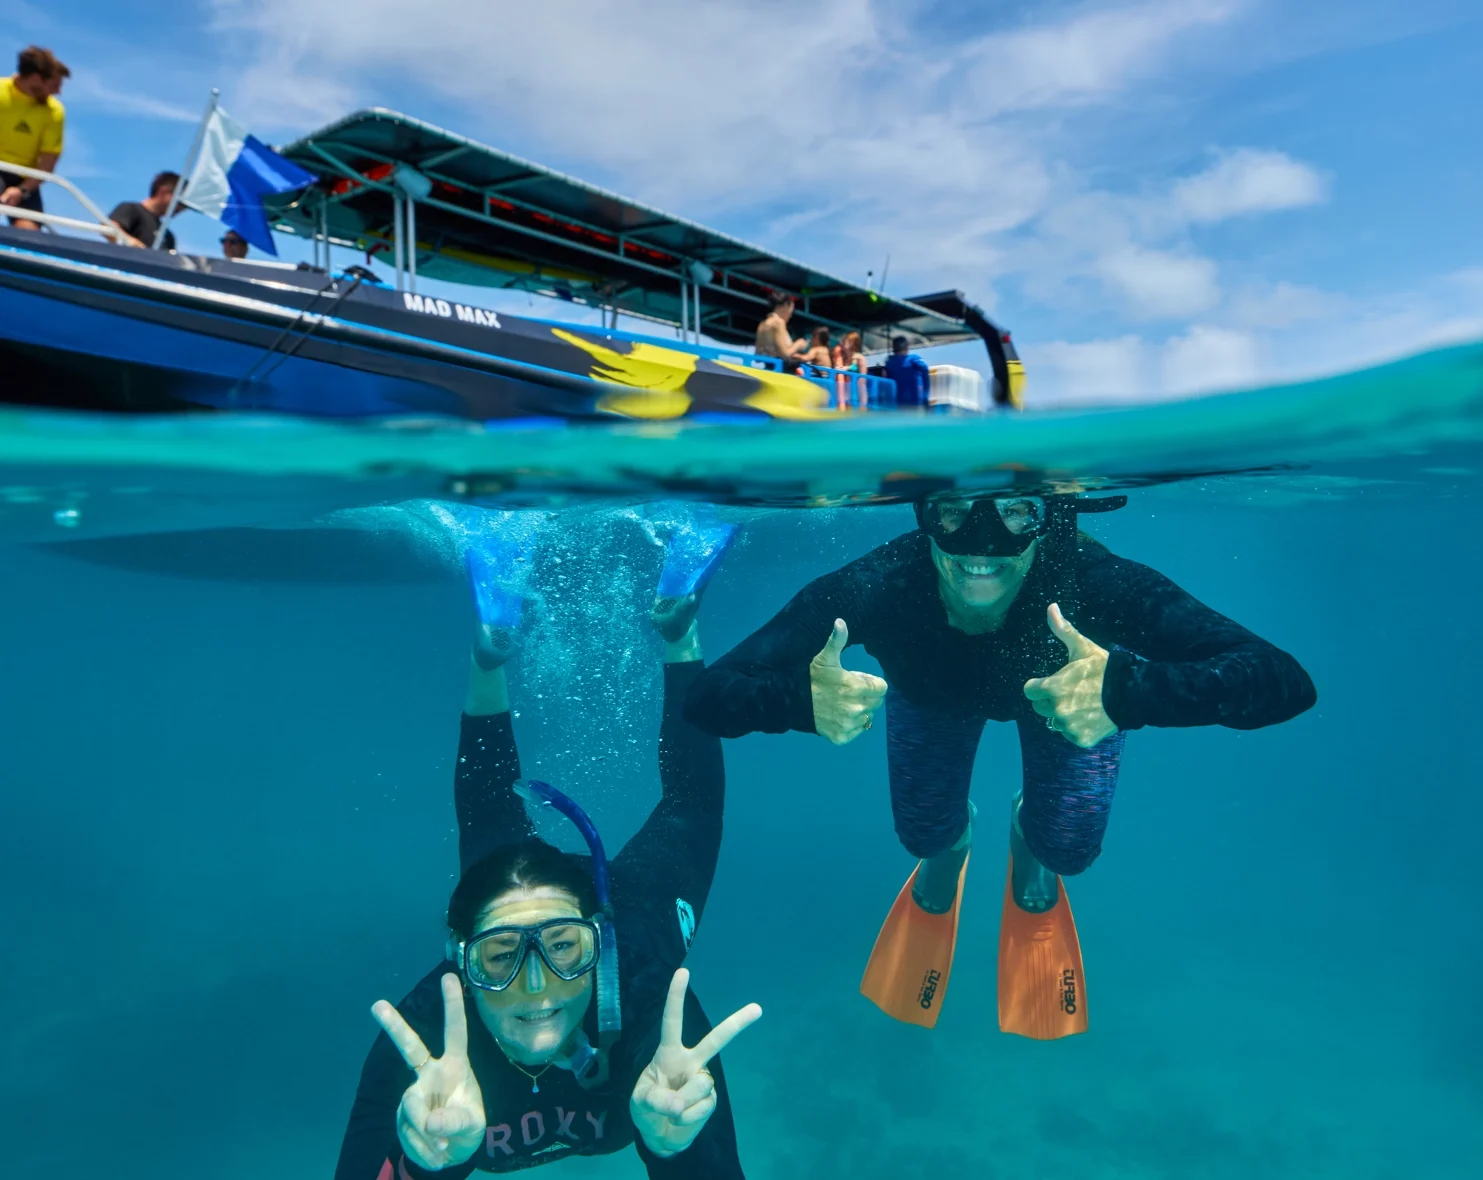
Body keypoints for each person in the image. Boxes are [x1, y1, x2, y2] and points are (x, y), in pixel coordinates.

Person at [684, 491, 1316, 1037]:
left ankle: (1029, 836)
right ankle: (949, 847)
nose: (980, 543)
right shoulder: (879, 583)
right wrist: (794, 700)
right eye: (954, 513)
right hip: (933, 696)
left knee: (1066, 848)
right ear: (925, 513)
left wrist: (1127, 692)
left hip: (1069, 701)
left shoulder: (1095, 581)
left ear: (1048, 517)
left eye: (1016, 512)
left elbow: (1283, 680)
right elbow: (709, 698)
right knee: (923, 835)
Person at [336, 516, 761, 1178]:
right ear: (459, 960)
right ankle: (491, 648)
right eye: (501, 957)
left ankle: (675, 625)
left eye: (565, 949)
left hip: (629, 913)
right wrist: (424, 1165)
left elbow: (694, 804)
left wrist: (674, 1149)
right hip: (522, 897)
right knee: (490, 827)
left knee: (669, 814)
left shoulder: (655, 1004)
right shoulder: (422, 1041)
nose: (536, 989)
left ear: (599, 939)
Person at [0, 46, 69, 231]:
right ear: (37, 79)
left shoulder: (55, 111)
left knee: (29, 233)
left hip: (25, 180)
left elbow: (47, 165)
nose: (58, 92)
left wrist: (21, 190)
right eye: (54, 86)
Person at [108, 171, 180, 250]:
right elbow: (109, 229)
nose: (182, 208)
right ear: (163, 192)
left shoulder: (168, 236)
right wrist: (129, 240)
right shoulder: (131, 209)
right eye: (180, 202)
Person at [753, 292, 807, 362]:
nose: (790, 316)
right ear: (785, 305)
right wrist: (799, 344)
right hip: (777, 369)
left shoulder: (762, 324)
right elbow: (785, 354)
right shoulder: (778, 323)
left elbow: (758, 355)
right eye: (791, 311)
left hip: (764, 368)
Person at [883, 336, 931, 409]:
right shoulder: (913, 358)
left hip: (896, 402)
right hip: (913, 401)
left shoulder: (889, 362)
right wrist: (925, 396)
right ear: (907, 347)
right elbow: (925, 370)